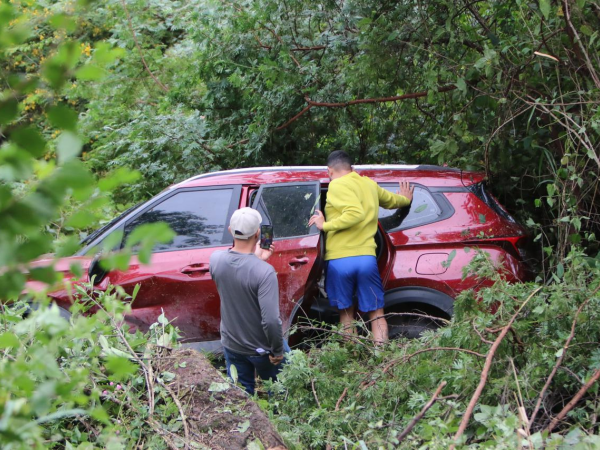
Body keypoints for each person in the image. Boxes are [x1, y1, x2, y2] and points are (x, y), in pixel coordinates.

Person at [308, 151, 414, 343]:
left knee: (347, 313)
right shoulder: (368, 184)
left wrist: (325, 225)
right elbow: (392, 201)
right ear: (352, 169)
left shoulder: (336, 185)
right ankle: (380, 358)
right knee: (376, 311)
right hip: (366, 258)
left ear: (329, 171)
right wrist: (405, 199)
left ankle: (352, 361)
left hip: (341, 261)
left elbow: (354, 214)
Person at [209, 207, 285, 395]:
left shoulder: (216, 260)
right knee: (281, 390)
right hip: (261, 349)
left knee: (242, 399)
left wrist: (256, 258)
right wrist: (277, 351)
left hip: (232, 345)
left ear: (230, 231)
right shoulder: (264, 272)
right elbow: (271, 321)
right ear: (258, 234)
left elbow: (237, 272)